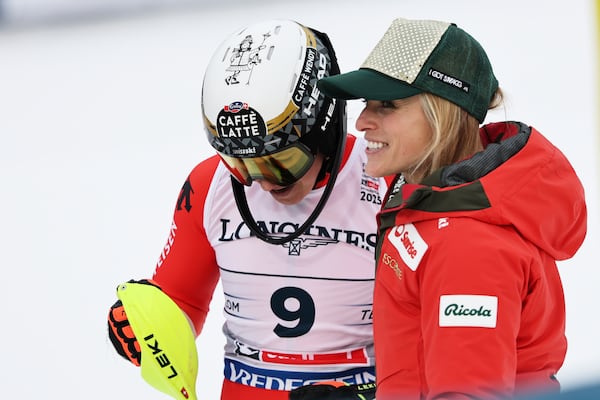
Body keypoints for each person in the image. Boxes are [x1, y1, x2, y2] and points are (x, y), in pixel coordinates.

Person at [107, 19, 389, 400]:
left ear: (323, 124)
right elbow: (182, 301)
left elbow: (430, 328)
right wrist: (144, 327)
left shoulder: (388, 181)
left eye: (281, 161)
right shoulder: (210, 185)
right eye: (241, 165)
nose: (265, 183)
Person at [317, 17, 588, 400]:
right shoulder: (432, 198)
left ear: (440, 113)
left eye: (387, 106)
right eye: (366, 104)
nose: (362, 122)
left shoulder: (469, 247)